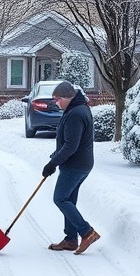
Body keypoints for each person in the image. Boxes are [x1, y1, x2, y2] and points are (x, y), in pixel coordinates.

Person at [41, 80, 100, 255]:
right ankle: (70, 239)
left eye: (58, 99)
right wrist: (56, 156)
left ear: (67, 97)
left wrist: (53, 163)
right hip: (81, 164)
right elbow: (70, 142)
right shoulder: (77, 109)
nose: (56, 103)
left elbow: (71, 146)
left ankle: (87, 232)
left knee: (60, 198)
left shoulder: (75, 113)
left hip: (75, 165)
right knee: (69, 200)